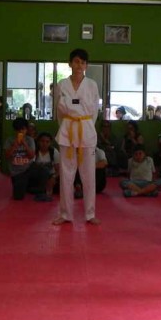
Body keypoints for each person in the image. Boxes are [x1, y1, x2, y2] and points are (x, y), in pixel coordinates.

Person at [54, 48, 100, 225]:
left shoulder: (92, 85)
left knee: (88, 175)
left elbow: (94, 112)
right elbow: (58, 111)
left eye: (83, 62)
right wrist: (66, 125)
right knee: (66, 174)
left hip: (86, 129)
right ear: (70, 63)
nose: (79, 65)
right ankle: (65, 213)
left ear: (86, 65)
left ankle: (90, 213)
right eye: (76, 61)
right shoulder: (62, 84)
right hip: (67, 130)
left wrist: (86, 126)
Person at [5, 117, 36, 200]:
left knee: (43, 171)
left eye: (23, 129)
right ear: (15, 130)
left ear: (26, 130)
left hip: (28, 168)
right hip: (16, 172)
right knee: (18, 197)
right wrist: (14, 146)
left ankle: (33, 187)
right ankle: (23, 186)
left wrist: (25, 144)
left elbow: (32, 156)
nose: (21, 132)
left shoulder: (30, 140)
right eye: (18, 130)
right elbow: (7, 156)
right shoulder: (10, 140)